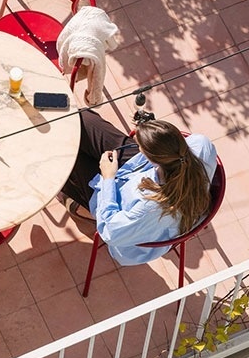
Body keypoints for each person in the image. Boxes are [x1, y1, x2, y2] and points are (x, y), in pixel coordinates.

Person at [61, 110, 218, 267]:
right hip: (139, 170)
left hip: (119, 209)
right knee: (82, 120)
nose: (135, 138)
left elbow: (111, 232)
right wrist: (152, 135)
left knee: (66, 158)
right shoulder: (201, 145)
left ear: (153, 158)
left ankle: (86, 212)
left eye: (140, 144)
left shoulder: (148, 207)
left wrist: (108, 177)